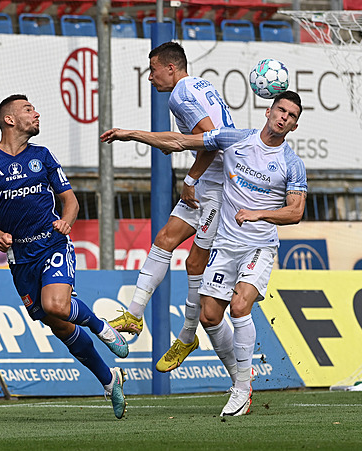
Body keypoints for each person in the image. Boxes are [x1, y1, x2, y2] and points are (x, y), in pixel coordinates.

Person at [101, 90, 307, 416]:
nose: (284, 117)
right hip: (226, 246)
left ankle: (240, 390)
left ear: (294, 126)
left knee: (240, 306)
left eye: (292, 116)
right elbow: (180, 141)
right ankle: (241, 379)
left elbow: (295, 212)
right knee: (210, 316)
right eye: (281, 110)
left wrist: (259, 214)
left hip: (259, 246)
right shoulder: (235, 139)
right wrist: (131, 134)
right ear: (268, 111)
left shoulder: (292, 164)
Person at [0, 94, 129, 419]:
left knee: (57, 306)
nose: (36, 113)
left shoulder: (43, 156)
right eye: (28, 109)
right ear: (9, 119)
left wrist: (67, 220)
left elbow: (70, 200)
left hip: (53, 245)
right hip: (19, 256)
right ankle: (110, 382)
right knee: (57, 324)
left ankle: (101, 327)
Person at [109, 42, 238, 375]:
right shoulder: (200, 85)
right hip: (208, 182)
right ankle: (134, 314)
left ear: (171, 67)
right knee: (165, 238)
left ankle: (186, 336)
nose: (150, 77)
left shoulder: (180, 95)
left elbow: (212, 141)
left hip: (218, 189)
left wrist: (191, 178)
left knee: (195, 260)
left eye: (153, 69)